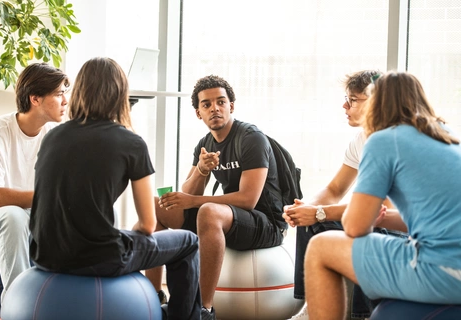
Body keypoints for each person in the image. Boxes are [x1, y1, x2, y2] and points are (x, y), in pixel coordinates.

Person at [29, 57, 201, 320]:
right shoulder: (131, 143)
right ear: (121, 94)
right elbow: (147, 224)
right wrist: (126, 240)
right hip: (99, 258)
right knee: (188, 241)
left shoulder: (52, 136)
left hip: (44, 254)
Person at [305, 71, 461, 319]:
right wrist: (384, 218)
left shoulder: (383, 141)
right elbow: (436, 218)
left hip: (444, 271)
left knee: (320, 247)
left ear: (375, 103)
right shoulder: (446, 136)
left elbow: (355, 227)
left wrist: (324, 213)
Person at [145, 74, 287, 320]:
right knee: (159, 206)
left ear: (231, 106)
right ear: (198, 113)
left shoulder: (251, 138)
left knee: (208, 211)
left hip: (266, 222)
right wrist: (201, 170)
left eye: (221, 102)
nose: (215, 109)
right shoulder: (205, 142)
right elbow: (186, 195)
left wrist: (195, 202)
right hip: (232, 220)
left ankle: (203, 309)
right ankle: (154, 297)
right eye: (207, 104)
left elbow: (248, 200)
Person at [284, 70, 408, 320]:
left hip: (398, 224)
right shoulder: (361, 140)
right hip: (379, 216)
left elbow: (381, 207)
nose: (345, 106)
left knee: (363, 228)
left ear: (374, 100)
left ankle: (362, 315)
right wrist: (303, 207)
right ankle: (313, 305)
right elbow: (335, 189)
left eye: (352, 100)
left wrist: (317, 212)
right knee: (309, 224)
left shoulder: (391, 140)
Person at [0, 63, 69, 303]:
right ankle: (17, 307)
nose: (65, 100)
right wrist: (46, 197)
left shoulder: (55, 135)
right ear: (35, 99)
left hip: (35, 219)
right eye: (59, 93)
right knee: (12, 216)